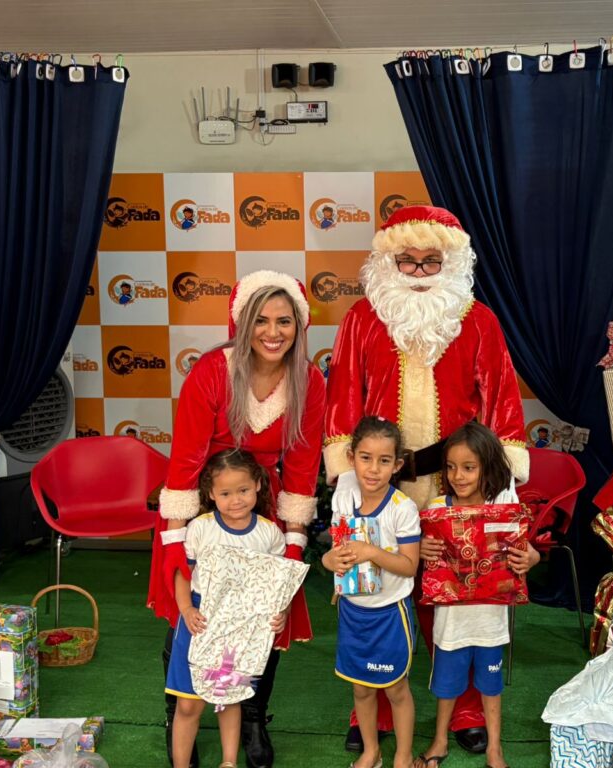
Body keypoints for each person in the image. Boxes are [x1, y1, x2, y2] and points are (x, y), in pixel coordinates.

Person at [324, 205, 529, 754]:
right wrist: (346, 479)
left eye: (430, 261)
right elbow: (342, 396)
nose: (418, 273)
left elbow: (502, 398)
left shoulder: (480, 320)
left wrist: (503, 484)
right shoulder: (361, 319)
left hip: (455, 483)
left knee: (459, 596)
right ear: (387, 263)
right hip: (377, 481)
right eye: (407, 262)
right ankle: (370, 702)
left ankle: (464, 708)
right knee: (372, 592)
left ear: (451, 262)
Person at [148, 270, 326, 768]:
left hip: (264, 506)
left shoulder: (310, 381)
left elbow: (302, 466)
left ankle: (251, 717)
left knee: (261, 621)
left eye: (284, 321)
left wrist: (292, 546)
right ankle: (178, 712)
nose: (273, 332)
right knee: (191, 610)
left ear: (299, 326)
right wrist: (175, 543)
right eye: (261, 320)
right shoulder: (212, 371)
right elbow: (186, 459)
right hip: (204, 500)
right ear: (243, 323)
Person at [415, 423, 540, 768]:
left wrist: (531, 558)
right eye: (451, 467)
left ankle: (494, 748)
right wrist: (422, 548)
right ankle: (439, 740)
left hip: (490, 623)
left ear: (488, 466)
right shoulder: (438, 507)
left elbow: (527, 551)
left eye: (469, 467)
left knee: (491, 685)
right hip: (451, 623)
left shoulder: (503, 506)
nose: (458, 476)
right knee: (446, 685)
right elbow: (422, 552)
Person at [167, 449, 288, 768]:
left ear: (258, 485)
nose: (236, 500)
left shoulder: (269, 533)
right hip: (200, 621)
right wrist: (186, 609)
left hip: (240, 627)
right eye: (225, 493)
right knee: (188, 704)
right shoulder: (200, 528)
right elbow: (183, 573)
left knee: (229, 697)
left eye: (243, 490)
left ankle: (229, 762)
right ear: (210, 493)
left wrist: (281, 613)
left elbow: (277, 583)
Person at [323, 417, 420, 768]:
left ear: (397, 464)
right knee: (361, 688)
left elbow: (409, 566)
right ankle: (371, 751)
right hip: (352, 611)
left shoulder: (402, 508)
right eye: (365, 458)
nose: (374, 469)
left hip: (390, 613)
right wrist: (329, 560)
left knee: (396, 689)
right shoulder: (344, 500)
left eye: (384, 460)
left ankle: (403, 756)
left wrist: (372, 552)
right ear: (351, 458)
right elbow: (333, 554)